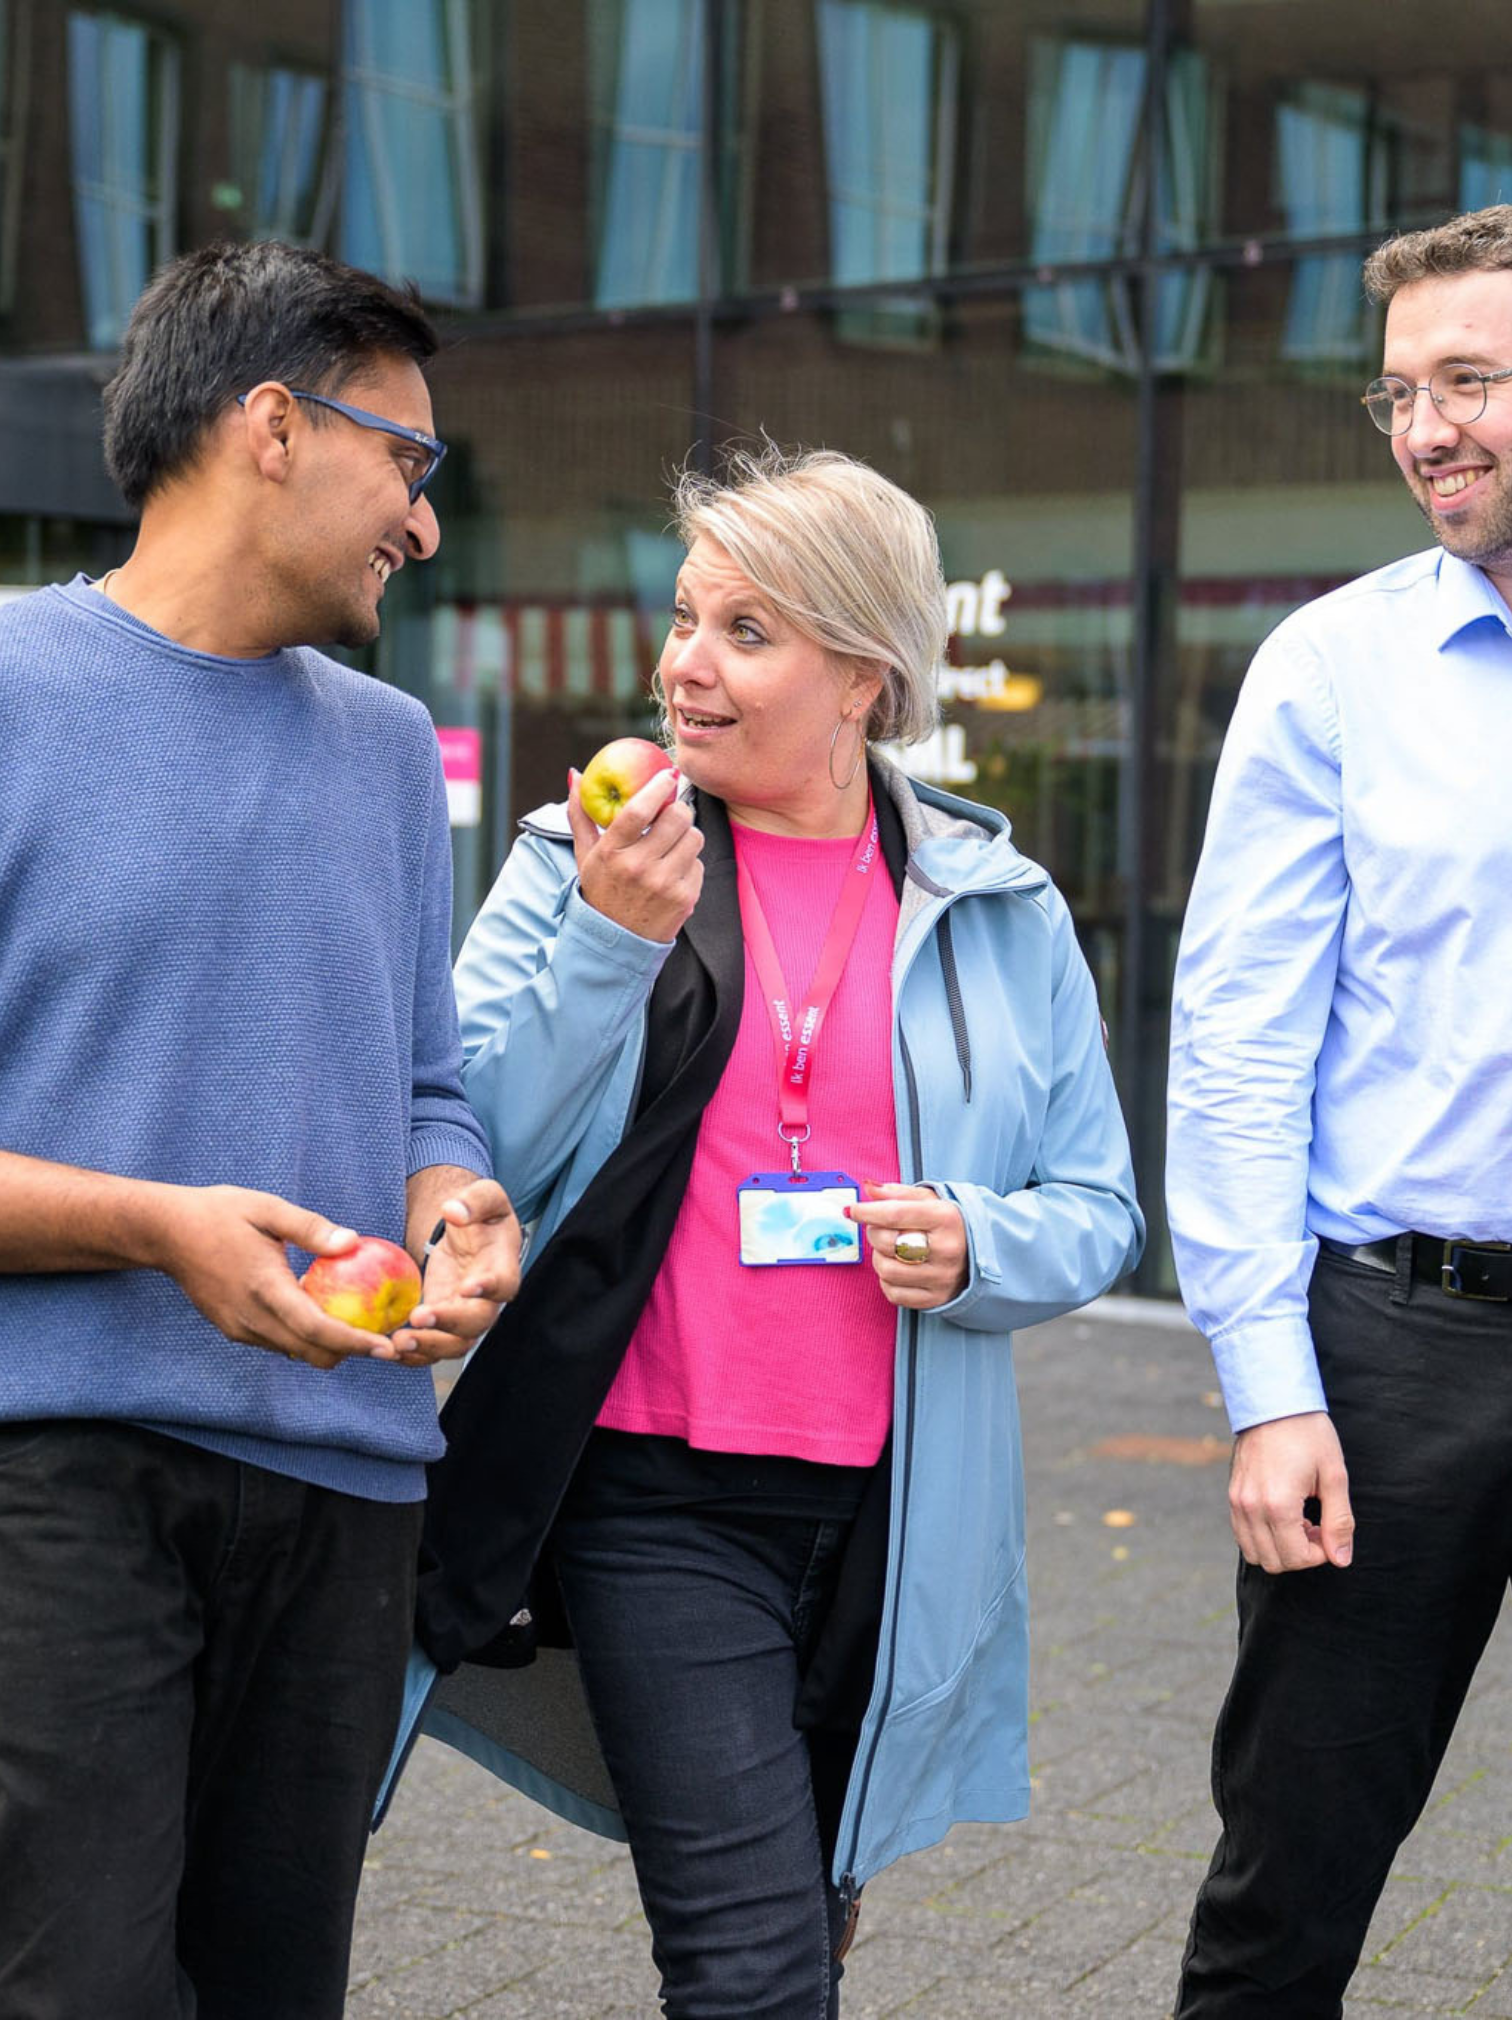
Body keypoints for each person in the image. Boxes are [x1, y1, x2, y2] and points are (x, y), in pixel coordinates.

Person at [0, 241, 521, 2019]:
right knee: (65, 1989)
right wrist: (153, 1222)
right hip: (52, 1477)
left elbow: (420, 1082)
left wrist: (458, 1202)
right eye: (406, 464)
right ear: (273, 426)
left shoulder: (382, 752)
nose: (422, 524)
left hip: (347, 1481)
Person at [386, 446, 1144, 2019]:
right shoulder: (574, 860)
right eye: (683, 618)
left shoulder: (1000, 907)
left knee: (799, 1919)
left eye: (747, 631)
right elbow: (465, 1147)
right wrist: (610, 941)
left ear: (864, 676)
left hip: (897, 1512)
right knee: (748, 1965)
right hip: (653, 1498)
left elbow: (1100, 1209)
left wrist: (974, 1243)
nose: (685, 666)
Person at [1166, 196, 1512, 2019]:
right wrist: (1268, 1392)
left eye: (1471, 380)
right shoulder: (1329, 670)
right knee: (1287, 1893)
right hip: (1386, 1349)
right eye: (1400, 392)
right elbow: (1240, 1043)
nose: (1424, 429)